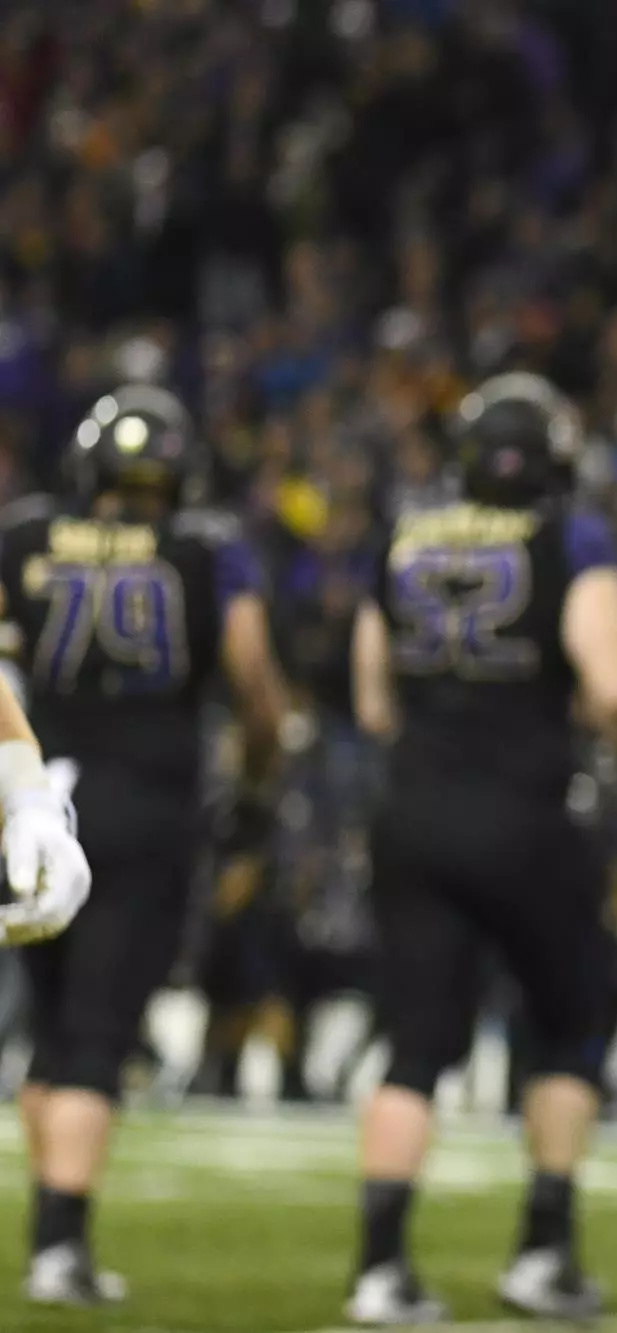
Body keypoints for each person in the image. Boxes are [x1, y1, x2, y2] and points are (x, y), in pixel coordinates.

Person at [344, 373, 617, 1324]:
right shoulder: (574, 535)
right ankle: (543, 1252)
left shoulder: (403, 530)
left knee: (414, 1049)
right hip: (527, 812)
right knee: (568, 1025)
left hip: (415, 808)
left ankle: (379, 1269)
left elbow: (370, 700)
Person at [0, 384, 287, 1305]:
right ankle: (60, 1245)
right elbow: (253, 681)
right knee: (100, 1029)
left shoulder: (27, 535)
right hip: (143, 805)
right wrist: (254, 782)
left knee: (52, 1027)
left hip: (33, 795)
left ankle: (51, 1232)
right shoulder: (205, 550)